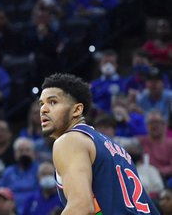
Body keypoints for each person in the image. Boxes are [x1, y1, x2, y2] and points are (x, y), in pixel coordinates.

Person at [39, 73, 160, 214]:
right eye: (41, 104)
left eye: (53, 102)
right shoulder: (117, 149)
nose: (43, 109)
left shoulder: (70, 140)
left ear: (77, 110)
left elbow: (81, 207)